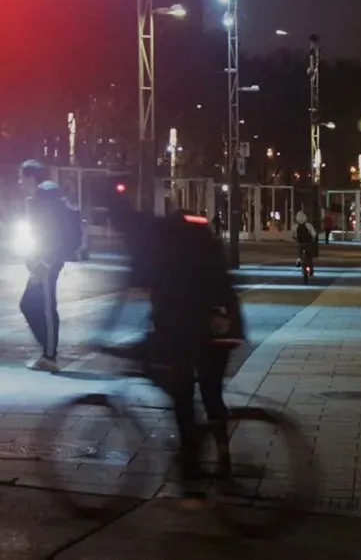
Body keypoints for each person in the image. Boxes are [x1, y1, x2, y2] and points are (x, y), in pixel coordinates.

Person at [107, 202, 246, 504]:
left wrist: (103, 335)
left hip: (187, 326)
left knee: (181, 392)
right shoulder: (179, 232)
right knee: (211, 392)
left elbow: (126, 295)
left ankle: (192, 464)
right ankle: (223, 460)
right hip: (224, 321)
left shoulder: (146, 241)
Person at [17, 160, 72, 372]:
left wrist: (44, 261)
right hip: (43, 260)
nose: (20, 182)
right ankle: (48, 351)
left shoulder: (46, 196)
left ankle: (50, 356)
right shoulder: (44, 195)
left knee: (47, 307)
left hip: (47, 261)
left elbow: (51, 231)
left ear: (31, 177)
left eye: (22, 177)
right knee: (28, 303)